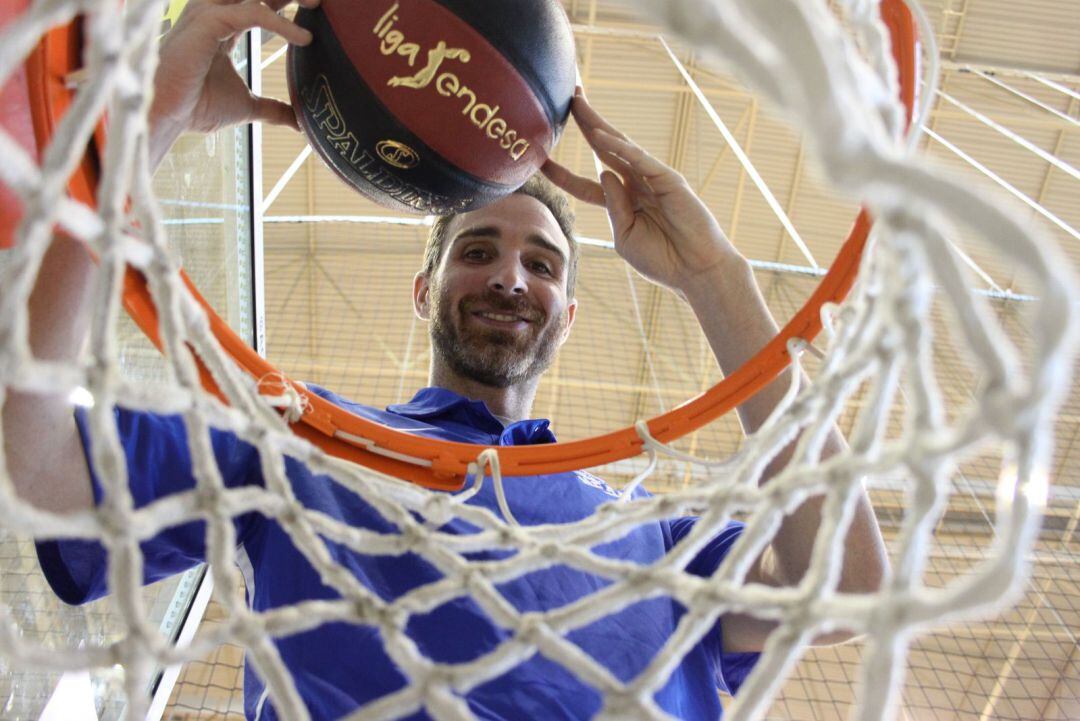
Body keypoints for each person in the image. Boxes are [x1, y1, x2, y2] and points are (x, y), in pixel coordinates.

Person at [2, 1, 889, 719]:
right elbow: (41, 463)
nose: (509, 275)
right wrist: (144, 129)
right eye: (476, 251)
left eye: (541, 264)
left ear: (567, 314)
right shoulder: (297, 440)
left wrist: (715, 278)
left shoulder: (652, 540)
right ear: (424, 291)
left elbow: (846, 586)